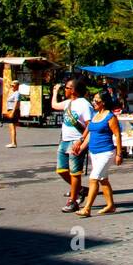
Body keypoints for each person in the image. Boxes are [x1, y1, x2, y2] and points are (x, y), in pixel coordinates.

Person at [75, 91, 121, 216]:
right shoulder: (95, 115)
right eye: (93, 100)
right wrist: (81, 147)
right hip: (94, 153)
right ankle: (111, 205)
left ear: (104, 103)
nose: (94, 103)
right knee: (103, 179)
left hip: (106, 152)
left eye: (97, 101)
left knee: (93, 178)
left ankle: (87, 208)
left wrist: (119, 154)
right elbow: (90, 133)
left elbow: (117, 135)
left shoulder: (110, 117)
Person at [52, 77, 93, 212]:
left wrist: (81, 141)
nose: (65, 90)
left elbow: (90, 125)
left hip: (75, 141)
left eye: (67, 88)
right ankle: (81, 189)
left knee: (75, 173)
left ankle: (73, 201)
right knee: (61, 170)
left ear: (74, 90)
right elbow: (54, 105)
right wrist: (54, 92)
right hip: (64, 140)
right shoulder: (69, 102)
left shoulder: (84, 105)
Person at [1, 80, 21, 148]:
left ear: (17, 85)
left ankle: (13, 143)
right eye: (11, 85)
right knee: (11, 127)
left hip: (13, 110)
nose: (12, 87)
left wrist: (12, 112)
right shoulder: (13, 92)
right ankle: (13, 142)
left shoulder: (17, 93)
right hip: (10, 110)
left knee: (12, 127)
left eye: (13, 85)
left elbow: (16, 103)